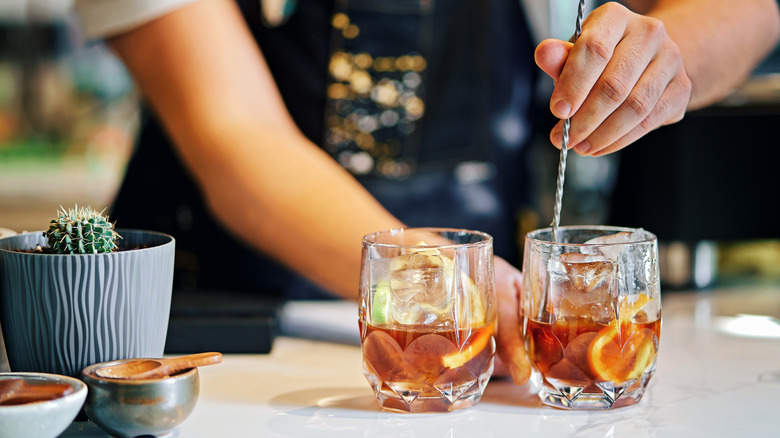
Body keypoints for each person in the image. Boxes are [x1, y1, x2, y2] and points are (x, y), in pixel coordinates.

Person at [72, 0, 780, 385]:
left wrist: (666, 55)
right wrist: (439, 280)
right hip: (223, 336)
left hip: (487, 339)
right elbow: (234, 135)